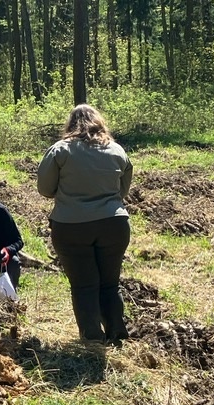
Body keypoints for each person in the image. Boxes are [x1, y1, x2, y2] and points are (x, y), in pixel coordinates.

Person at [37, 104, 132, 345]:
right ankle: (117, 333)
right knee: (110, 282)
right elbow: (123, 189)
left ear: (70, 124)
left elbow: (45, 189)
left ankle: (92, 338)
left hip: (72, 226)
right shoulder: (117, 150)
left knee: (84, 285)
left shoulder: (61, 150)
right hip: (114, 224)